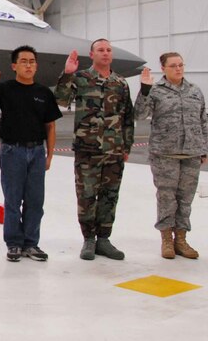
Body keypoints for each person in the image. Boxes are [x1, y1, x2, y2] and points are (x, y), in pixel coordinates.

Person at [54, 39, 134, 260]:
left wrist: (126, 145)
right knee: (87, 196)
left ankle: (104, 239)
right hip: (87, 150)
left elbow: (128, 117)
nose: (105, 53)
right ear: (92, 54)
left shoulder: (120, 82)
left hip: (114, 150)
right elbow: (61, 99)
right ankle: (89, 239)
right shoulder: (81, 78)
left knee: (110, 196)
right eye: (101, 50)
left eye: (108, 50)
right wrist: (67, 73)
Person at [0, 46, 62, 263]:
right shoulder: (5, 89)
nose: (28, 65)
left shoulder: (44, 93)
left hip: (36, 152)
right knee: (13, 200)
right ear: (14, 66)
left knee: (35, 201)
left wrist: (49, 156)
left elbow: (50, 127)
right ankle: (14, 243)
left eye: (32, 61)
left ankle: (31, 243)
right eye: (23, 61)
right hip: (12, 151)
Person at [135, 52, 208, 259]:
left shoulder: (194, 90)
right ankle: (167, 239)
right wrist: (145, 90)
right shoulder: (155, 91)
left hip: (191, 153)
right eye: (174, 65)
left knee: (185, 199)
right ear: (164, 68)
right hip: (164, 154)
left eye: (181, 65)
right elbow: (139, 114)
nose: (178, 69)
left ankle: (182, 240)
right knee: (167, 198)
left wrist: (204, 149)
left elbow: (203, 120)